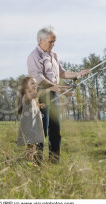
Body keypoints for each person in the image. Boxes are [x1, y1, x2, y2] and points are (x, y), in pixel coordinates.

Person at [27, 25, 89, 163]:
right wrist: (59, 88)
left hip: (54, 96)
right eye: (51, 41)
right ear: (41, 40)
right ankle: (37, 165)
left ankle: (55, 163)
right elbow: (39, 80)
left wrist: (78, 74)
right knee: (41, 132)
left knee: (56, 132)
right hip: (41, 96)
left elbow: (62, 73)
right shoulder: (33, 57)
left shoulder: (53, 55)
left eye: (55, 41)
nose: (53, 45)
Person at [17, 76, 46, 167]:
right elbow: (35, 96)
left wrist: (39, 105)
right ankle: (28, 163)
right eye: (32, 83)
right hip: (29, 125)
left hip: (34, 125)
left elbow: (34, 105)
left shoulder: (33, 98)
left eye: (36, 84)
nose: (35, 85)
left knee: (33, 146)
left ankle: (29, 162)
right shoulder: (27, 96)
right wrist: (52, 89)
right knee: (30, 147)